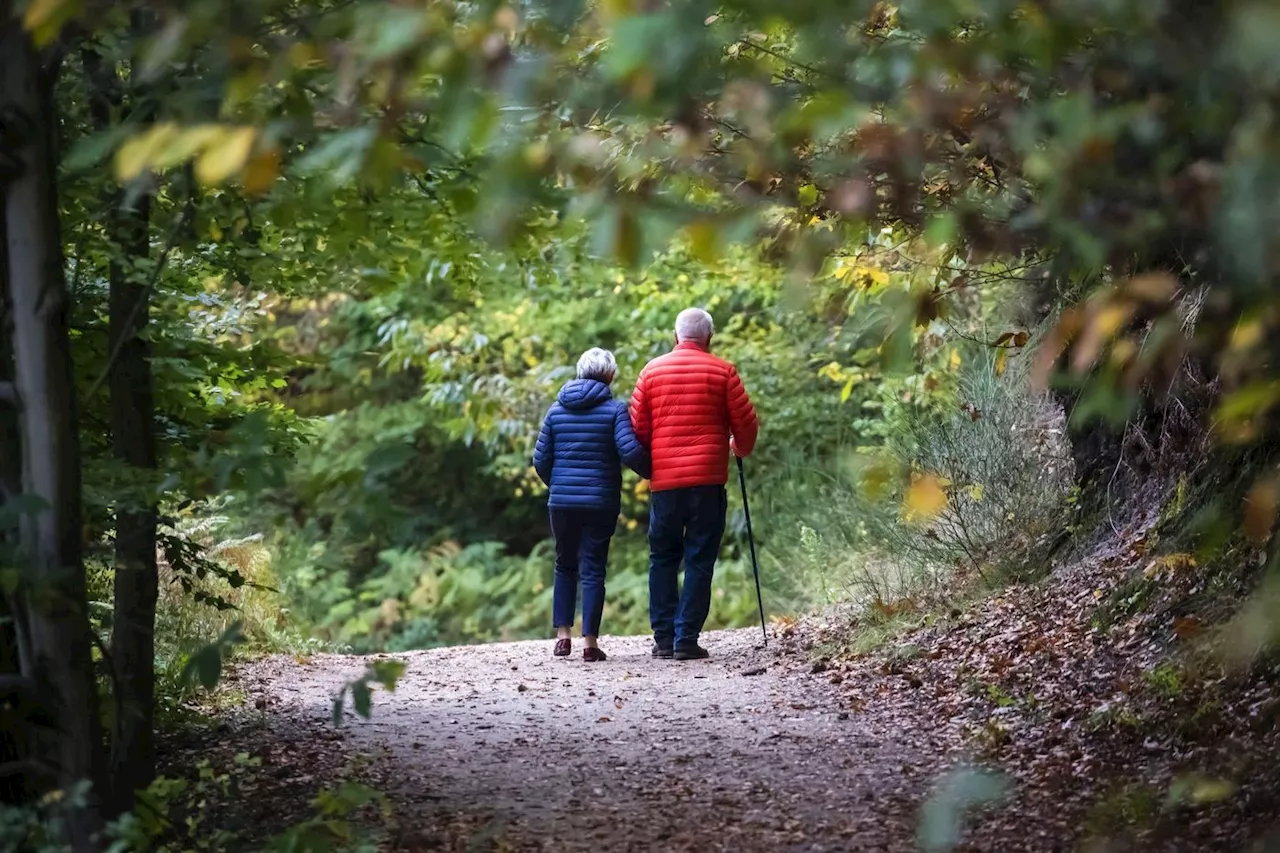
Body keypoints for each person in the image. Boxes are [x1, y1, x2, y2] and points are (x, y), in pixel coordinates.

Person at [630, 308, 758, 661]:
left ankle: (664, 639)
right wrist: (738, 449)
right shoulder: (723, 372)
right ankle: (686, 637)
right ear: (709, 338)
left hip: (665, 484)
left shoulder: (651, 372)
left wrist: (653, 463)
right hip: (708, 481)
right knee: (700, 558)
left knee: (663, 557)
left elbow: (638, 430)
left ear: (675, 336)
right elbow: (746, 425)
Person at [533, 347, 650, 662]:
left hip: (562, 503)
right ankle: (590, 643)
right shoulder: (614, 410)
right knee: (593, 569)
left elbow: (540, 460)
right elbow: (629, 451)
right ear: (610, 375)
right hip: (600, 501)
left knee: (564, 564)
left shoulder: (555, 411)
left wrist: (558, 486)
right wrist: (654, 471)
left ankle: (562, 636)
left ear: (579, 372)